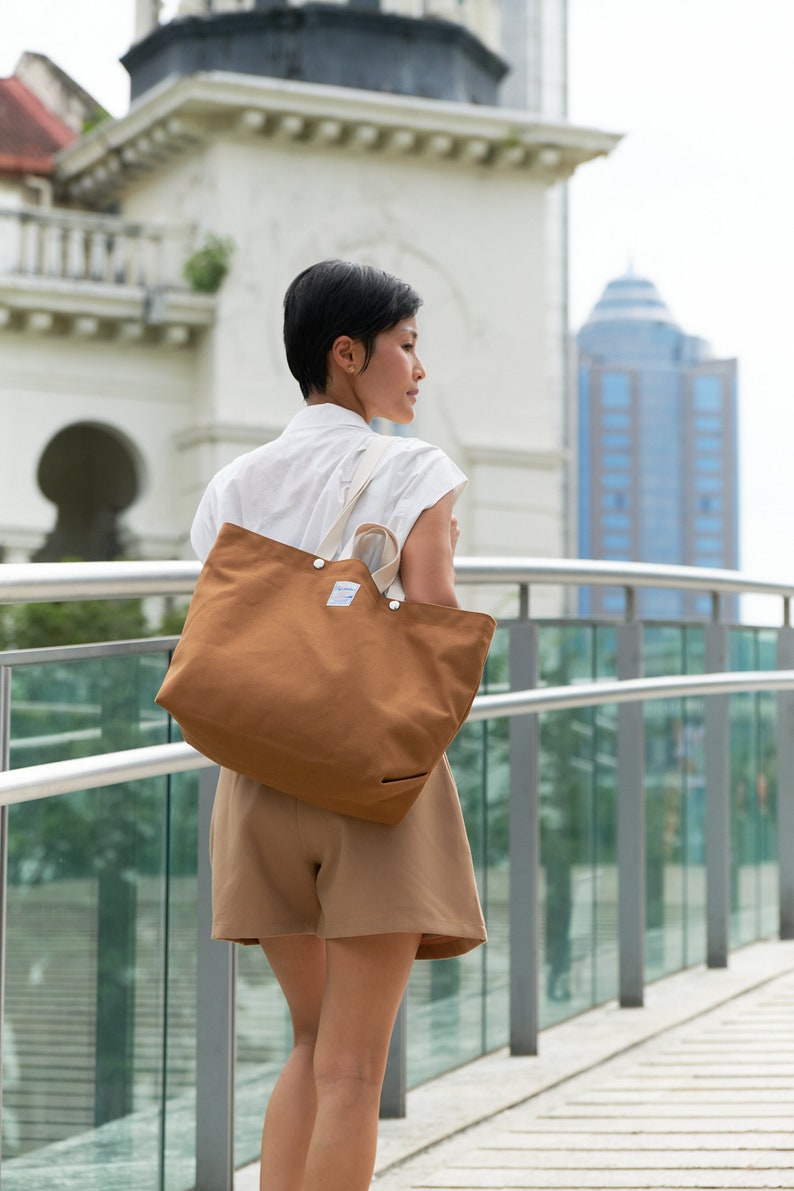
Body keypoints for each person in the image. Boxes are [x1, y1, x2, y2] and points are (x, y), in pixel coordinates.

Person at [190, 259, 487, 1191]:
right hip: (371, 785)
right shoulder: (415, 469)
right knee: (354, 1069)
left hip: (257, 783)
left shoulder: (233, 482)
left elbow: (218, 627)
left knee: (310, 1039)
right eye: (406, 345)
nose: (419, 368)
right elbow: (434, 619)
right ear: (347, 353)